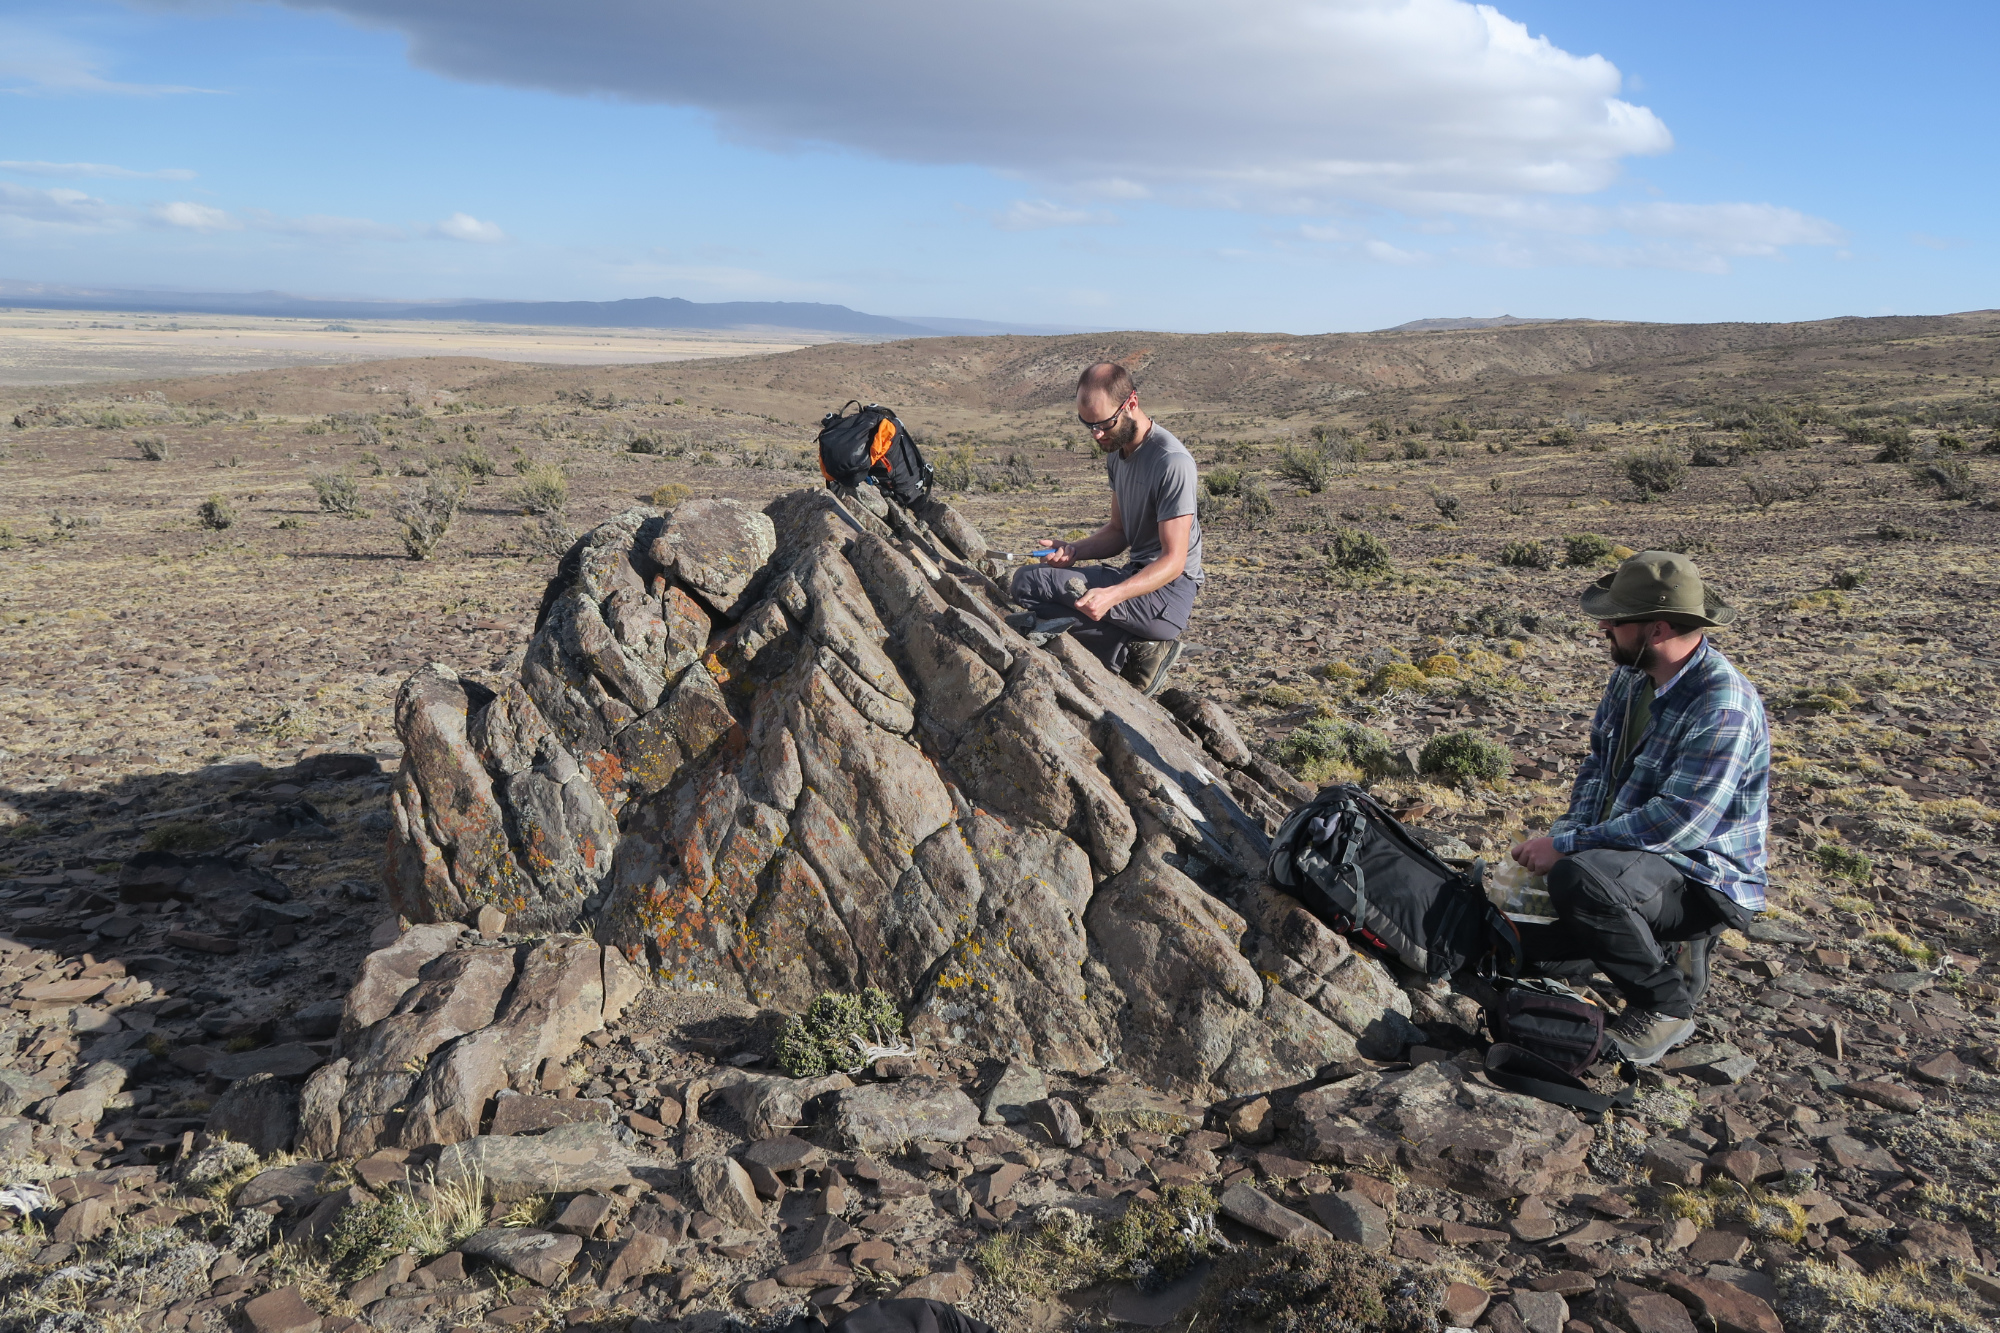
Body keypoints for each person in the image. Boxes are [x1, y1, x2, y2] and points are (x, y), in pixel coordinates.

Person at [1508, 550, 1769, 1066]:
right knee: (1524, 936)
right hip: (1627, 860)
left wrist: (1565, 849)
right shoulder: (1631, 678)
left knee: (1578, 883)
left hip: (1699, 878)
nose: (1604, 625)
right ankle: (1645, 940)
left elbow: (1680, 822)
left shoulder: (1722, 705)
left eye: (1617, 619)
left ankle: (1665, 1004)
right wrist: (1569, 833)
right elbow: (1598, 767)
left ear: (1655, 629)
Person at [1008, 363, 1203, 696]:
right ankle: (1132, 651)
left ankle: (1139, 651)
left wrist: (1113, 595)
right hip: (1136, 579)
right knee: (1029, 586)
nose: (1096, 434)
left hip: (1167, 596)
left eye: (1103, 424)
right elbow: (1119, 532)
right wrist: (1073, 550)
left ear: (1131, 404)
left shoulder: (1172, 462)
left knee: (1030, 582)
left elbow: (1174, 562)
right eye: (1088, 425)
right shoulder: (1117, 452)